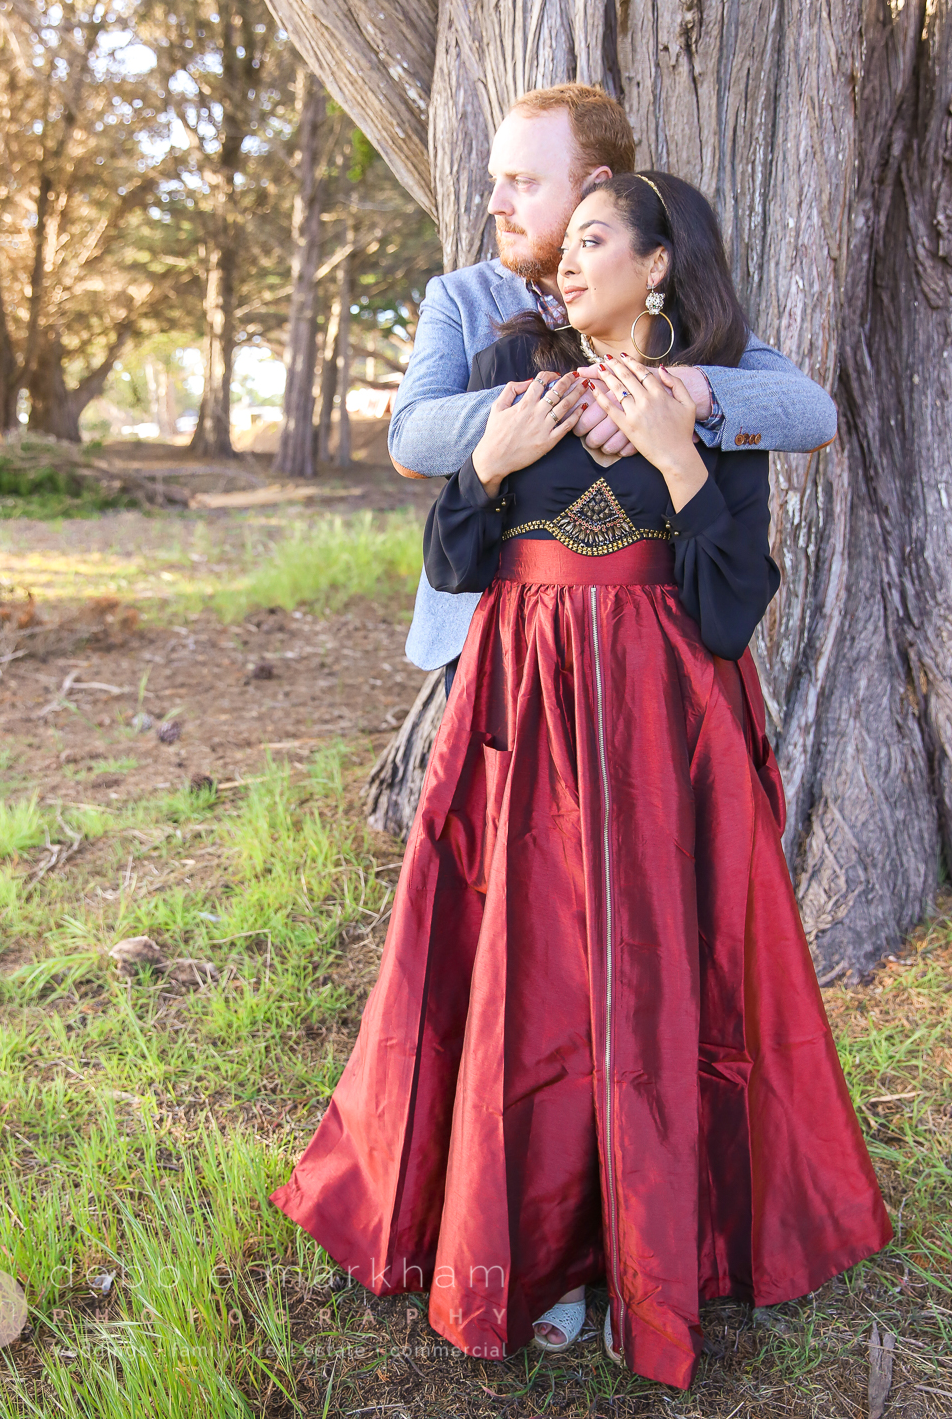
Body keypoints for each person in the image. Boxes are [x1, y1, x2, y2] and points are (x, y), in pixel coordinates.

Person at [271, 171, 890, 1391]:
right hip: (522, 713)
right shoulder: (517, 363)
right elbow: (456, 558)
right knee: (533, 975)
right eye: (567, 240)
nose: (565, 257)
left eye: (595, 238)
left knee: (658, 968)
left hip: (669, 727)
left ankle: (651, 1251)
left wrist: (677, 452)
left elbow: (727, 611)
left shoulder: (712, 402)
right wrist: (487, 463)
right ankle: (541, 1254)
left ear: (658, 265)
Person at [387, 83, 838, 689]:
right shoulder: (463, 298)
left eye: (524, 181)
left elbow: (810, 413)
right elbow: (411, 438)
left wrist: (671, 390)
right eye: (497, 180)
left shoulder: (677, 322)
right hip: (491, 632)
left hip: (654, 644)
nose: (496, 202)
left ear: (593, 183)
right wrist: (569, 399)